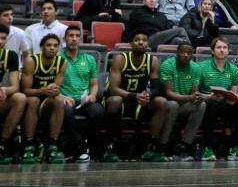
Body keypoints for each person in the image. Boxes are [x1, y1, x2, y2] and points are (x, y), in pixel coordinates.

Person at [103, 31, 168, 162]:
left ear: (148, 44)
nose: (140, 42)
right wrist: (135, 96)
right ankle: (110, 146)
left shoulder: (152, 61)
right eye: (137, 39)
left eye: (144, 40)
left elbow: (156, 88)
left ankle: (152, 146)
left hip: (139, 100)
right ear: (131, 44)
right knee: (116, 100)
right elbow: (113, 89)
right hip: (119, 99)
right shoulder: (120, 59)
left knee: (161, 101)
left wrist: (148, 95)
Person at [20, 34, 67, 163]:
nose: (52, 48)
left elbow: (56, 90)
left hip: (47, 100)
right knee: (34, 100)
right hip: (29, 98)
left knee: (59, 101)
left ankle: (53, 144)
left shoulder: (62, 62)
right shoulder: (31, 61)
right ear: (41, 47)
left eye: (55, 46)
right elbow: (26, 90)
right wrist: (42, 90)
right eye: (48, 45)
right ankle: (28, 144)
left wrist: (54, 90)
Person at [58, 25, 103, 162]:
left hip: (84, 100)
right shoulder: (58, 58)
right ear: (64, 39)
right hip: (65, 99)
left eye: (77, 36)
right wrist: (61, 96)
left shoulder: (89, 59)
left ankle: (83, 143)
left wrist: (92, 95)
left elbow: (94, 84)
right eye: (71, 36)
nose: (74, 39)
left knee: (98, 111)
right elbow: (53, 84)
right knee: (66, 111)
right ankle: (80, 147)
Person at [197, 36, 238, 161]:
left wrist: (232, 98)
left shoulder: (233, 69)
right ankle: (208, 148)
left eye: (225, 47)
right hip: (207, 102)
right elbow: (195, 92)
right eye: (219, 47)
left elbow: (235, 92)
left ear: (228, 51)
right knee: (211, 104)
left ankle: (236, 148)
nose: (222, 50)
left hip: (224, 103)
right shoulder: (201, 67)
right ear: (212, 51)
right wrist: (208, 96)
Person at [160, 43, 207, 160]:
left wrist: (197, 97)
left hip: (185, 105)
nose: (185, 55)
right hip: (168, 104)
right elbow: (169, 93)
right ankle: (162, 145)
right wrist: (189, 98)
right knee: (173, 104)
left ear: (192, 55)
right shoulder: (167, 65)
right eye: (182, 52)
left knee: (202, 104)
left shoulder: (196, 68)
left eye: (189, 53)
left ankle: (185, 144)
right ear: (177, 53)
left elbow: (194, 93)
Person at [123, 0, 190, 51]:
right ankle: (192, 53)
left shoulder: (162, 16)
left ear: (157, 2)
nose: (152, 0)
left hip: (161, 41)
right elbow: (128, 29)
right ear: (144, 1)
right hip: (145, 40)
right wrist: (126, 44)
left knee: (177, 40)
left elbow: (167, 30)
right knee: (180, 30)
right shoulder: (137, 13)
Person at [0, 24, 28, 164]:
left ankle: (2, 142)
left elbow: (15, 86)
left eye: (3, 38)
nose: (0, 41)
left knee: (20, 98)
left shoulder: (10, 55)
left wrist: (4, 90)